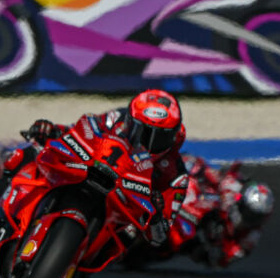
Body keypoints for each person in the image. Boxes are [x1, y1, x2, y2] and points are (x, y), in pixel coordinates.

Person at [19, 89, 189, 248]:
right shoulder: (115, 119)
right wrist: (53, 130)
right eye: (141, 132)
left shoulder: (176, 175)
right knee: (29, 155)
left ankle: (79, 272)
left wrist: (156, 215)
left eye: (159, 137)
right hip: (90, 171)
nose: (148, 143)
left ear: (173, 136)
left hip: (119, 213)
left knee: (128, 235)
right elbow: (79, 131)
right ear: (130, 121)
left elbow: (159, 237)